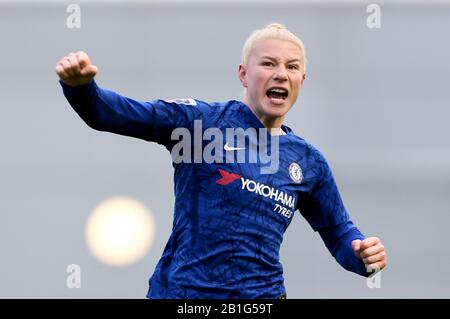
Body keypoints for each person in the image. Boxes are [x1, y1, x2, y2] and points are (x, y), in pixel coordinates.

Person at [56, 23, 387, 299]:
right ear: (244, 74)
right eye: (269, 64)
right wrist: (81, 88)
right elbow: (112, 114)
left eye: (292, 66)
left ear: (302, 80)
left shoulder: (308, 161)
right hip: (185, 296)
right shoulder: (200, 123)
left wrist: (362, 255)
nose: (281, 74)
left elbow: (339, 232)